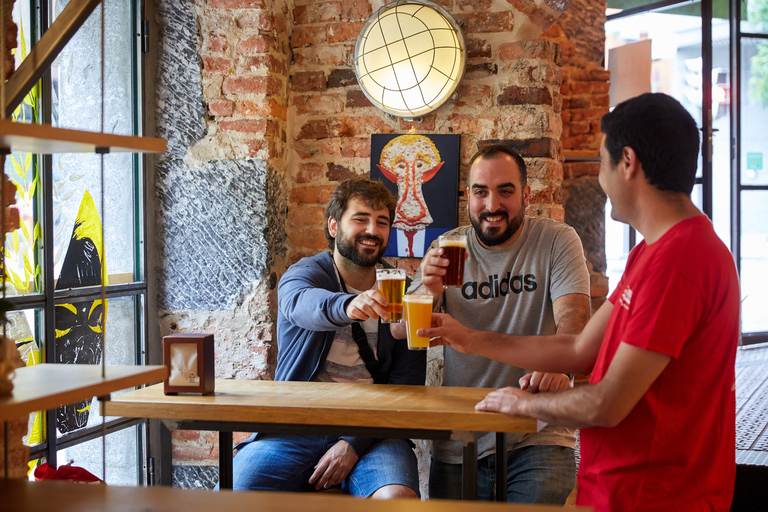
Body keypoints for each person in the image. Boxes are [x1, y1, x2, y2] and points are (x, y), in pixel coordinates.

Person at [421, 93, 739, 512]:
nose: (601, 181)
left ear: (627, 163)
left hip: (658, 493)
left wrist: (526, 405)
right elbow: (578, 349)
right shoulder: (653, 252)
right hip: (621, 488)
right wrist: (470, 338)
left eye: (602, 163)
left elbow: (606, 403)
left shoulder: (679, 261)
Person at [405, 144, 592, 503]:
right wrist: (428, 290)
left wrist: (561, 365)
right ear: (468, 197)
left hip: (539, 429)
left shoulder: (556, 240)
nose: (492, 205)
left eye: (505, 191)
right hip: (463, 437)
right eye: (481, 192)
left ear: (526, 194)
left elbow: (575, 318)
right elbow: (405, 330)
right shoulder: (447, 247)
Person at [230, 178, 426, 498]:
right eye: (360, 219)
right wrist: (349, 305)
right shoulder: (306, 274)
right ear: (334, 226)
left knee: (397, 500)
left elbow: (407, 385)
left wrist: (352, 443)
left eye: (382, 222)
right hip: (296, 427)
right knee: (229, 496)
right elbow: (302, 305)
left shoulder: (400, 288)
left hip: (374, 433)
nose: (372, 230)